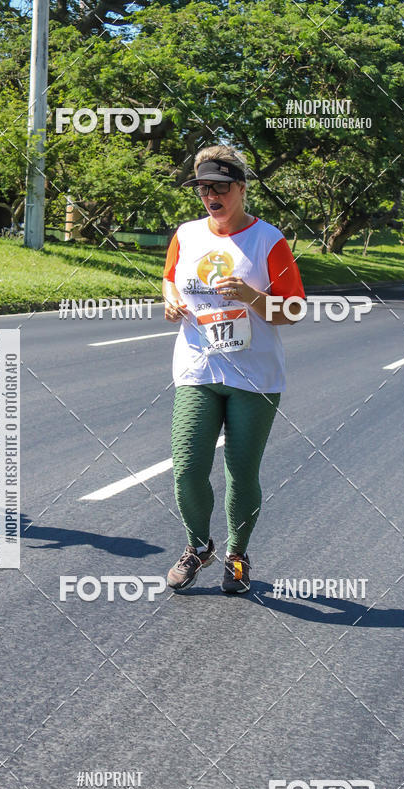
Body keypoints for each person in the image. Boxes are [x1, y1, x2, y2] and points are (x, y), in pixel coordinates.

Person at [162, 145, 304, 593]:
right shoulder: (186, 235)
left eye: (220, 187)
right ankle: (197, 547)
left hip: (254, 376)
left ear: (241, 188)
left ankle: (237, 555)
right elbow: (170, 278)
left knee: (240, 473)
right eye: (203, 189)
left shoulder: (268, 240)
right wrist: (170, 300)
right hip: (198, 368)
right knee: (187, 468)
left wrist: (251, 296)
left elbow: (293, 310)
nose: (211, 196)